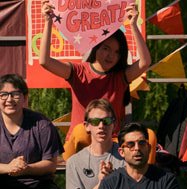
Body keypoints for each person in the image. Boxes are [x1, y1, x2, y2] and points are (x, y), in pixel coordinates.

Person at [39, 0, 151, 160]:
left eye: (117, 52)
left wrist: (133, 24)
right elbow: (45, 61)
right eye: (106, 48)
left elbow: (145, 62)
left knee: (149, 137)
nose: (111, 55)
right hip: (79, 144)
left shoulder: (120, 77)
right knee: (80, 132)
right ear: (96, 47)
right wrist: (48, 22)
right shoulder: (78, 72)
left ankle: (143, 182)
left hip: (110, 146)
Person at [0, 73, 71, 189]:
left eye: (15, 94)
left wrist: (27, 168)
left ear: (25, 97)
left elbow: (51, 164)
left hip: (36, 187)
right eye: (3, 94)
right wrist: (8, 168)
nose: (9, 99)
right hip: (2, 184)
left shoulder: (41, 124)